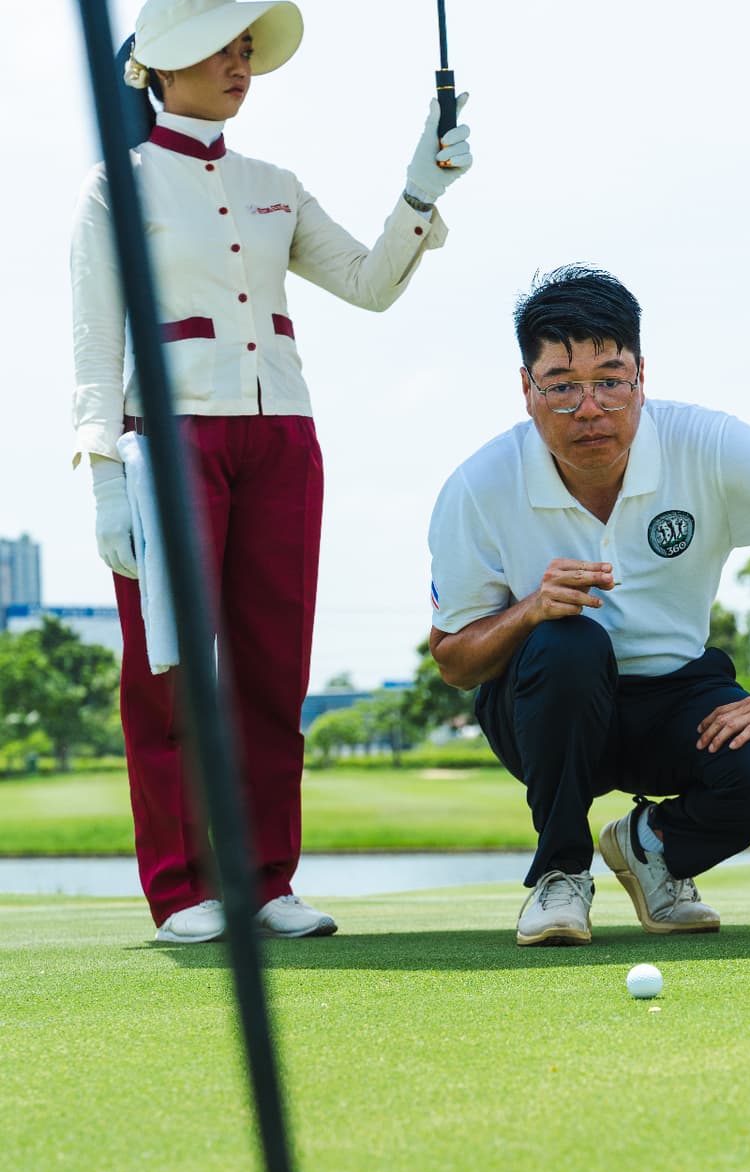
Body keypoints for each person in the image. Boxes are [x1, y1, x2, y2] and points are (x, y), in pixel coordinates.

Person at [71, 0, 473, 942]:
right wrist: (100, 480)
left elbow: (372, 284)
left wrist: (423, 189)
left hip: (282, 437)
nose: (240, 63)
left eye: (246, 48)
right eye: (221, 47)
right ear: (162, 65)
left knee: (271, 667)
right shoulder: (114, 189)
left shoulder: (274, 183)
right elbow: (95, 347)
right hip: (168, 441)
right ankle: (179, 891)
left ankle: (266, 882)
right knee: (165, 673)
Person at [426, 266, 750, 947]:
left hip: (677, 696)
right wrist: (529, 610)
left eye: (610, 381)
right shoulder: (478, 485)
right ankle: (561, 875)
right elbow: (453, 661)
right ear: (526, 391)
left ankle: (651, 850)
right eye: (561, 387)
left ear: (642, 378)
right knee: (568, 643)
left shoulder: (705, 443)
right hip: (544, 705)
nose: (588, 408)